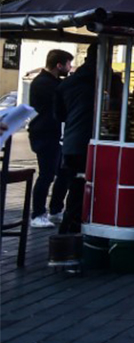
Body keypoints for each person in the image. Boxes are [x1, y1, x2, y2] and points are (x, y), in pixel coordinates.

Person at [27, 49, 73, 229]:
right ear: (59, 65)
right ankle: (37, 214)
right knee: (46, 175)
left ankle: (55, 210)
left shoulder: (51, 81)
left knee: (62, 173)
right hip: (44, 134)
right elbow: (62, 97)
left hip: (52, 134)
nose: (70, 68)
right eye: (68, 64)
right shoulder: (44, 83)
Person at [55, 44, 98, 236]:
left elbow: (59, 115)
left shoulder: (67, 84)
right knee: (84, 190)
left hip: (71, 143)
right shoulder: (105, 79)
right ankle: (73, 233)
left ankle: (69, 230)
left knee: (75, 188)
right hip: (92, 143)